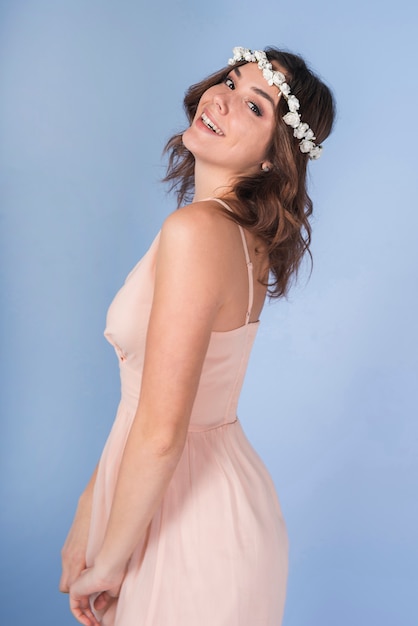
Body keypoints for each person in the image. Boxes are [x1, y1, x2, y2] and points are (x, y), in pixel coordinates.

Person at [60, 46, 335, 626]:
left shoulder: (197, 232)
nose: (222, 100)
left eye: (255, 107)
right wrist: (91, 507)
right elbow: (149, 400)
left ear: (274, 157)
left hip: (189, 519)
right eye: (231, 82)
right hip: (194, 498)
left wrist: (110, 562)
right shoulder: (239, 236)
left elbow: (162, 429)